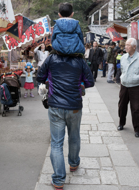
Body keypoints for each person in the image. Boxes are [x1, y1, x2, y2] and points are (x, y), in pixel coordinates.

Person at [37, 52, 94, 190]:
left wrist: (50, 80)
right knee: (74, 136)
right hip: (74, 106)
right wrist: (79, 85)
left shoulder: (51, 58)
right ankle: (74, 163)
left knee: (56, 143)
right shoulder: (80, 60)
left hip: (56, 105)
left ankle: (58, 180)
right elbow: (90, 81)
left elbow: (40, 76)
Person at [118, 38, 139, 138]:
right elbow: (122, 70)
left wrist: (135, 78)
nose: (125, 47)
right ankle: (121, 123)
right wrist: (123, 78)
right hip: (124, 85)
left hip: (135, 86)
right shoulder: (123, 57)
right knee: (122, 105)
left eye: (128, 45)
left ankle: (137, 128)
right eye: (125, 45)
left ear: (134, 47)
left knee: (136, 108)